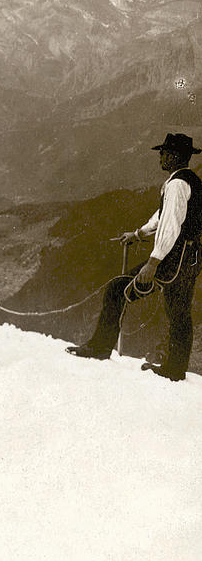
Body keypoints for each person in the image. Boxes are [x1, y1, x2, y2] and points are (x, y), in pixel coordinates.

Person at [67, 132, 202, 381]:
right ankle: (175, 369)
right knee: (179, 311)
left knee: (118, 289)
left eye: (163, 153)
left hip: (174, 257)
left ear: (173, 156)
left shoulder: (176, 185)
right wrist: (139, 233)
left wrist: (153, 263)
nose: (160, 156)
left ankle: (99, 348)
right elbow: (163, 216)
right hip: (191, 257)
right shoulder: (189, 181)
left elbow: (170, 226)